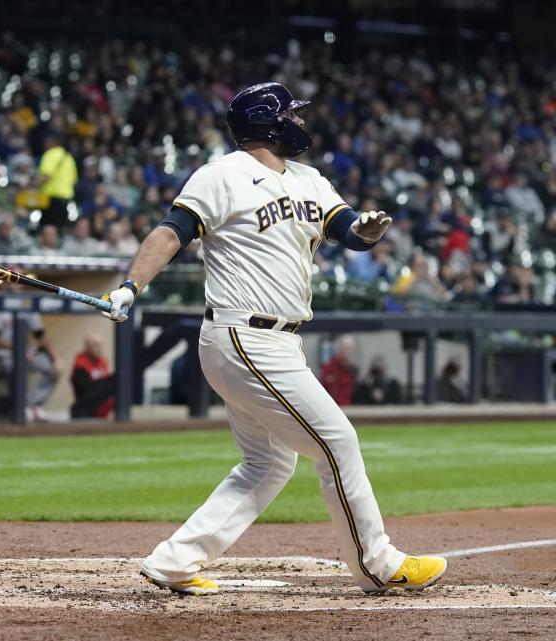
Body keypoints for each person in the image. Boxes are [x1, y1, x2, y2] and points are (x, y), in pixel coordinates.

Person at [101, 83, 446, 596]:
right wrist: (132, 285)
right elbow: (171, 232)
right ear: (267, 122)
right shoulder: (222, 175)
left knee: (269, 462)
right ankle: (378, 562)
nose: (300, 122)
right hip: (243, 334)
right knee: (337, 441)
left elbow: (346, 228)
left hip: (277, 341)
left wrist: (365, 231)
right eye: (291, 114)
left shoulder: (309, 179)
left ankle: (174, 561)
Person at [0, 293, 61, 422]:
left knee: (50, 368)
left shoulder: (27, 304)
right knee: (15, 365)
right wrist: (20, 350)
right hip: (2, 354)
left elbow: (40, 335)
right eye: (8, 284)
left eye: (15, 284)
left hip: (24, 352)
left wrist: (56, 359)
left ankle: (33, 405)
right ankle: (22, 406)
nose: (12, 287)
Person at [35, 130, 78, 229]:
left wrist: (31, 185)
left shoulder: (51, 154)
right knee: (59, 229)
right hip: (66, 200)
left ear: (53, 141)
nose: (44, 142)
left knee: (47, 228)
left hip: (51, 200)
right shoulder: (69, 158)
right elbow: (74, 181)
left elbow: (45, 176)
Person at [70, 334, 115, 419]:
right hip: (86, 412)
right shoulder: (81, 365)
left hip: (104, 412)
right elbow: (88, 389)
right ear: (87, 347)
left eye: (100, 345)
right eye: (96, 345)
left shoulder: (102, 361)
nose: (99, 348)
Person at [320, 335, 358, 406]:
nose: (349, 353)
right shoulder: (329, 369)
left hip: (350, 408)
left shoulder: (353, 370)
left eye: (351, 349)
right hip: (334, 408)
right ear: (340, 349)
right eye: (347, 349)